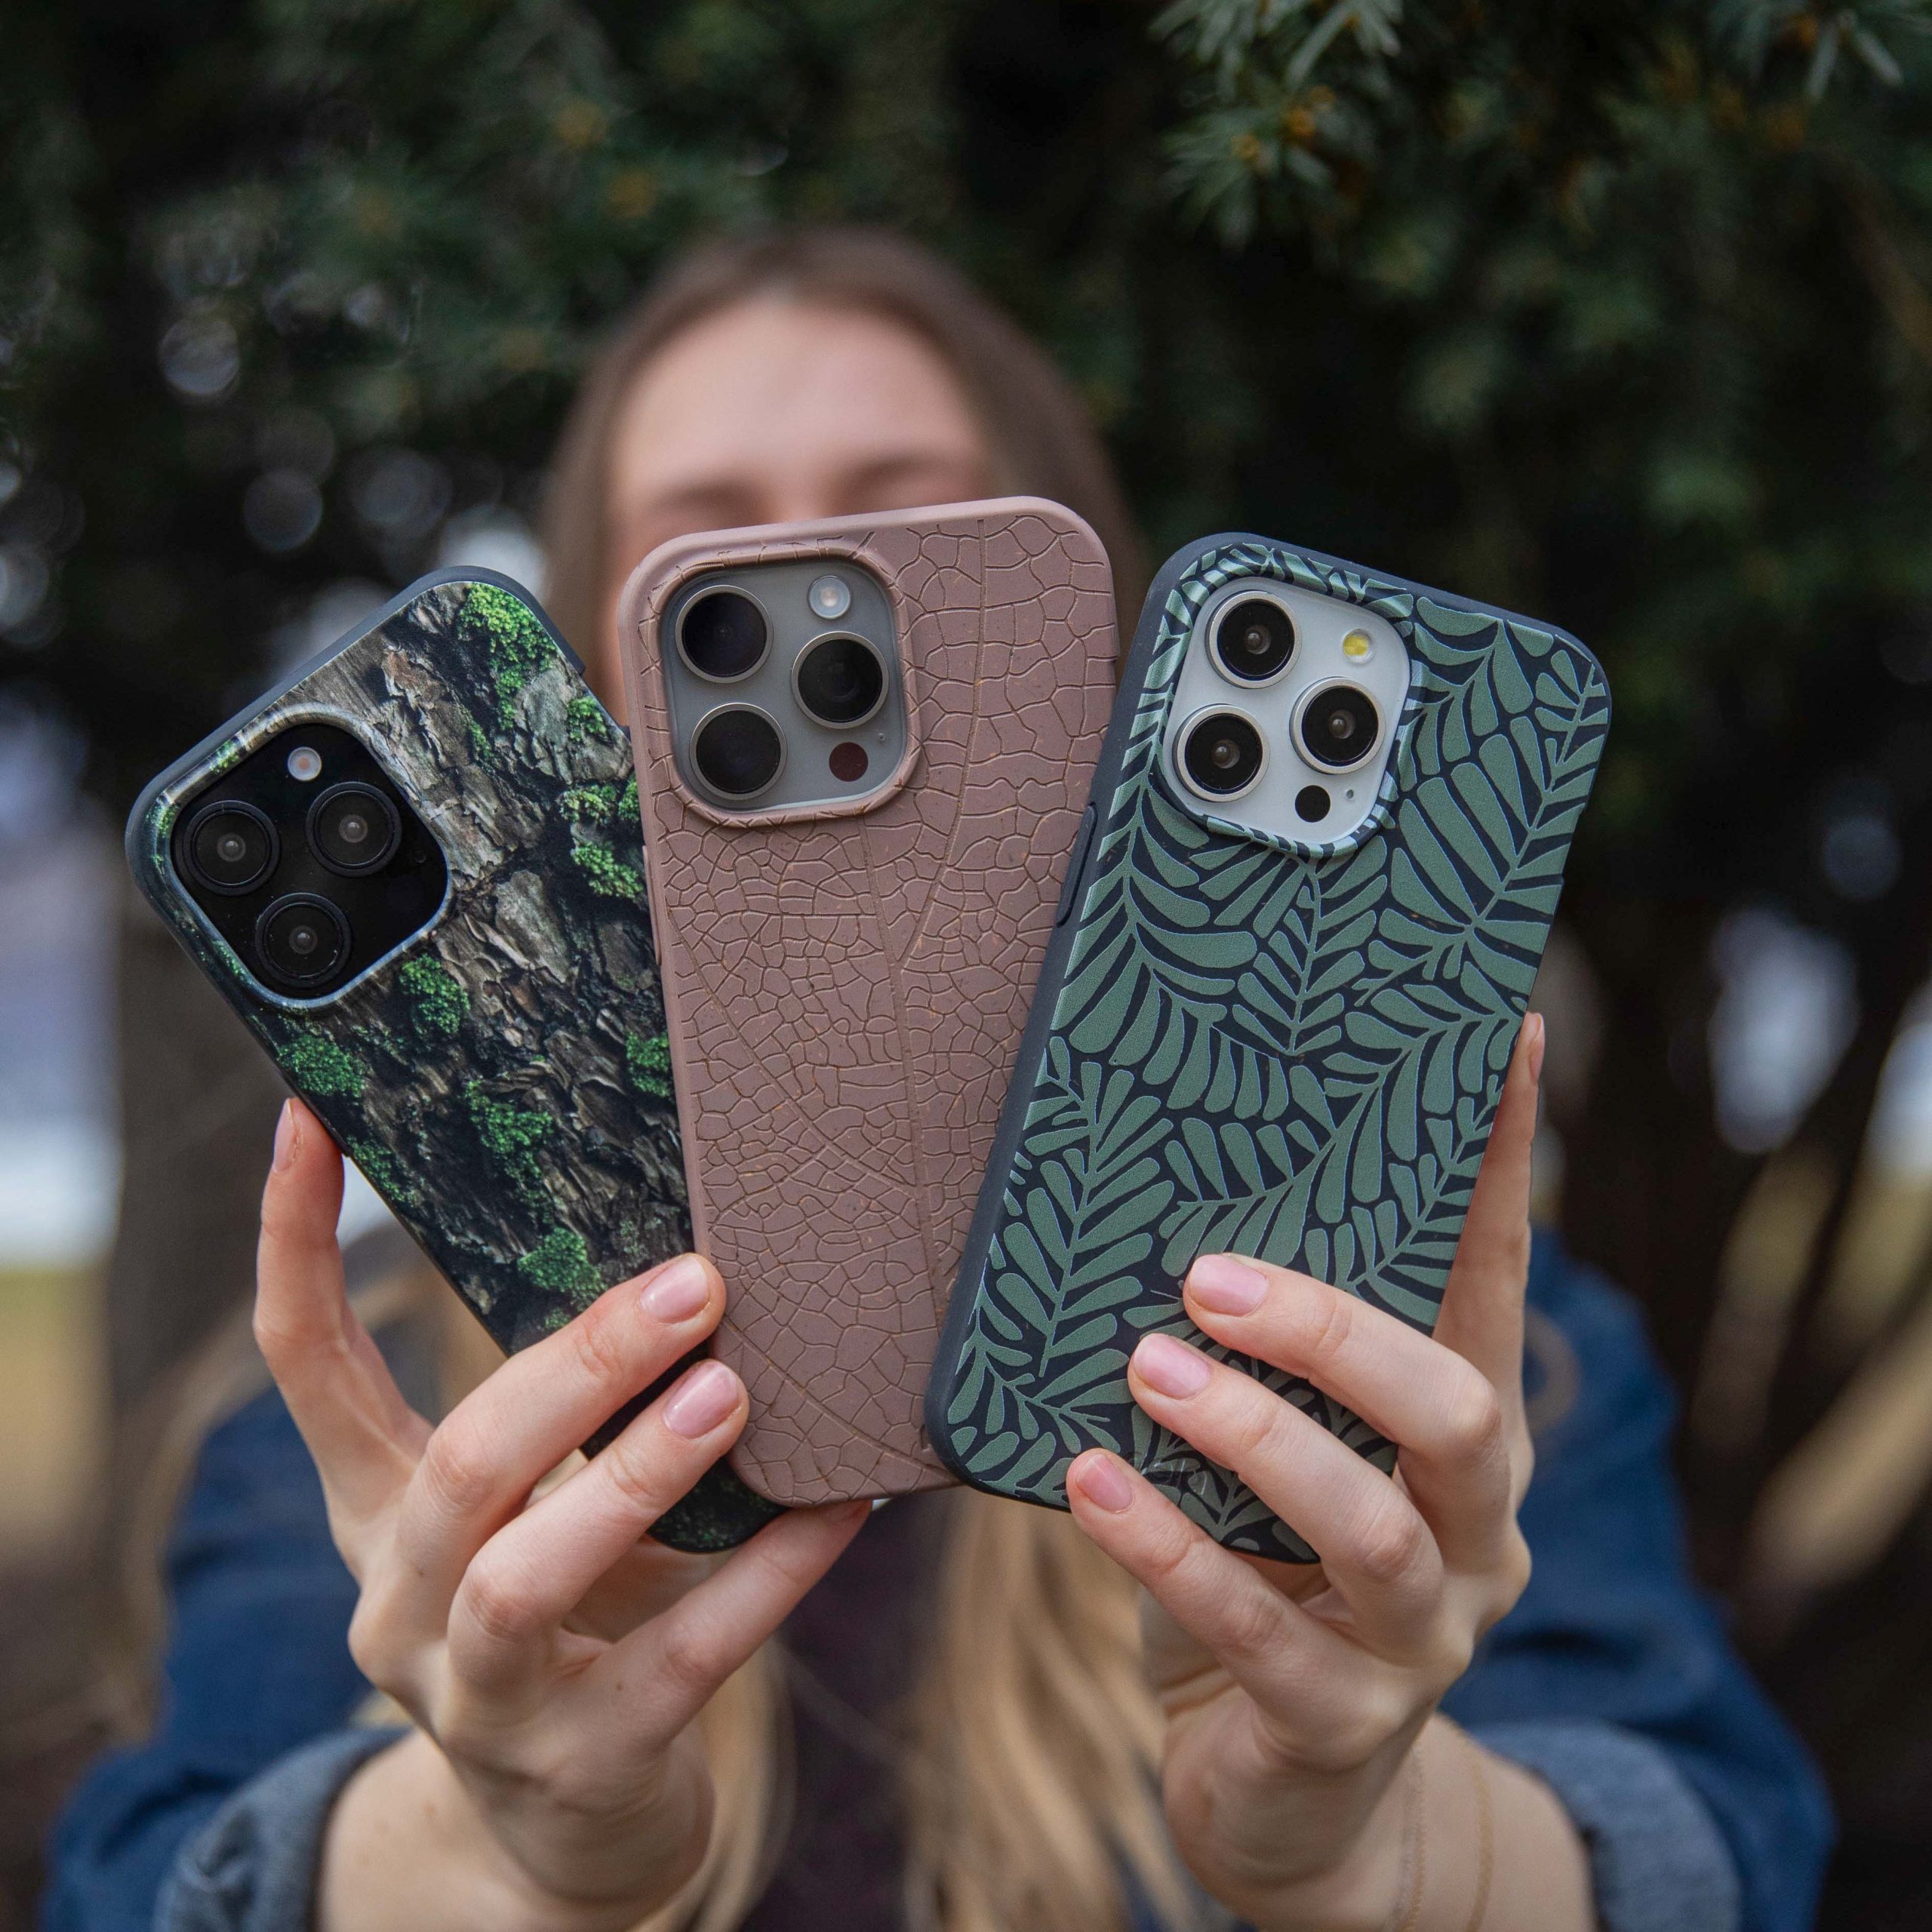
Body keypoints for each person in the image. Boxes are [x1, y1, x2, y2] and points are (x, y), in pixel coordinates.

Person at [46, 229, 1830, 1932]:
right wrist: (475, 1849)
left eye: (906, 506)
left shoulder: (1400, 1343)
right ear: (589, 695)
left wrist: (1387, 1842)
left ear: (1073, 651)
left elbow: (1720, 1846)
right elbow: (137, 1879)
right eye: (705, 555)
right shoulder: (396, 1412)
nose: (812, 575)